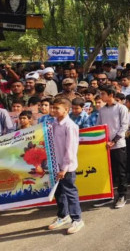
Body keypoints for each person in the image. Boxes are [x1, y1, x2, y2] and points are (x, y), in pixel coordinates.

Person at [48, 97, 84, 234]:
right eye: (53, 108)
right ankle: (64, 215)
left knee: (70, 192)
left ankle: (77, 219)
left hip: (66, 167)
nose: (54, 110)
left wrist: (64, 168)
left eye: (57, 108)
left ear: (66, 109)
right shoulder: (53, 124)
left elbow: (70, 149)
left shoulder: (70, 126)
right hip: (55, 165)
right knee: (59, 192)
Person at [95, 85, 130, 209]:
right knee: (107, 172)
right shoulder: (102, 110)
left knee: (120, 172)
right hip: (105, 146)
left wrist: (114, 141)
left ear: (111, 95)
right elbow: (98, 126)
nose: (101, 96)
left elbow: (124, 126)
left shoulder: (122, 108)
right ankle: (108, 195)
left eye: (103, 94)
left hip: (118, 145)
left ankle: (122, 195)